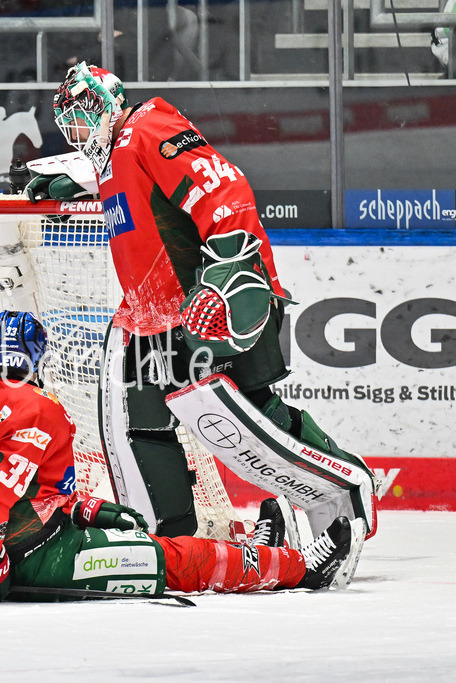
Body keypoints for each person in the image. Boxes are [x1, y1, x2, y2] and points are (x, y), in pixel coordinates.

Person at [24, 63, 378, 544]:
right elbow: (134, 178)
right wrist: (79, 180)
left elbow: (225, 189)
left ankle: (347, 491)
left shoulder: (152, 127)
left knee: (250, 420)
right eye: (73, 125)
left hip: (210, 308)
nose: (81, 132)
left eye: (85, 118)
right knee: (139, 426)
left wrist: (227, 275)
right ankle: (171, 543)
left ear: (109, 104)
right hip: (152, 319)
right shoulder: (115, 152)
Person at [0, 310, 365, 603]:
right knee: (179, 560)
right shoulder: (37, 407)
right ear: (39, 354)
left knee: (161, 547)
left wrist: (88, 510)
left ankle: (262, 556)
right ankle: (301, 569)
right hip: (43, 558)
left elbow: (9, 493)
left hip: (31, 544)